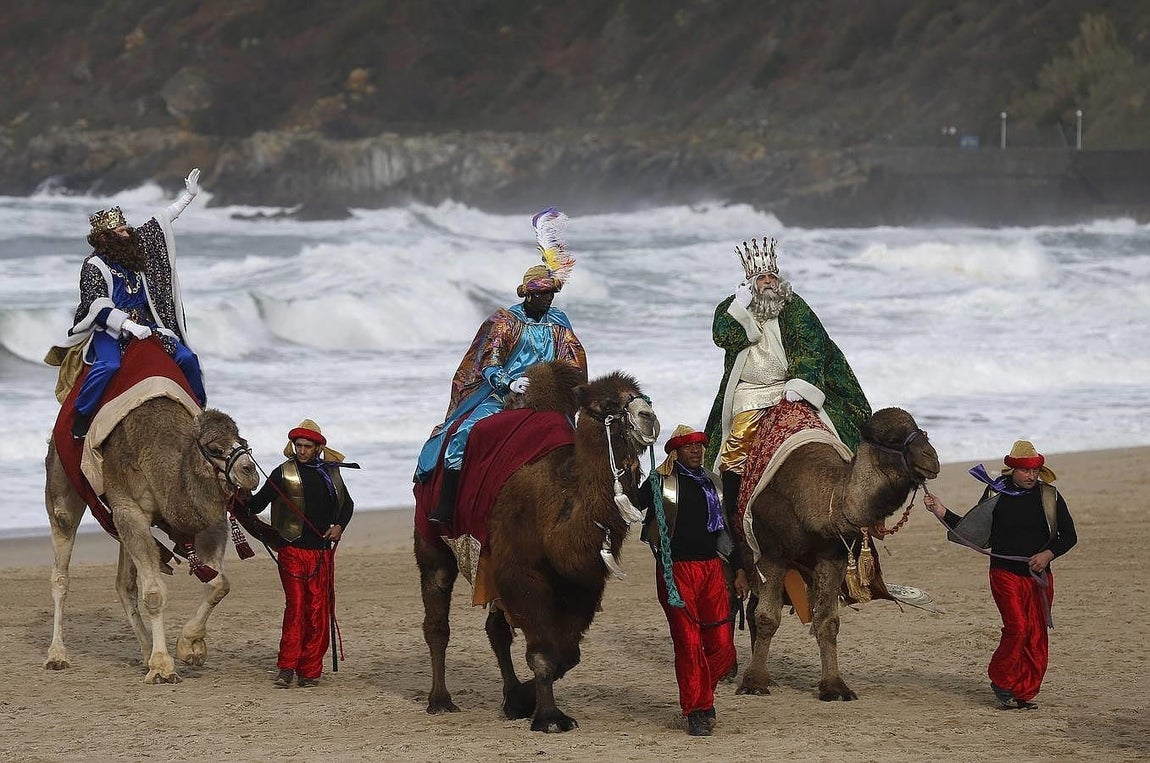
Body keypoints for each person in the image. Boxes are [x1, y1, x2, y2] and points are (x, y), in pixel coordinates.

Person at [414, 208, 586, 523]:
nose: (547, 299)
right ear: (528, 295)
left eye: (549, 293)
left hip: (546, 398)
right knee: (461, 436)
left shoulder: (559, 321)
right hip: (502, 396)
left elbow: (572, 358)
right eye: (541, 294)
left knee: (578, 443)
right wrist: (509, 383)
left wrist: (568, 386)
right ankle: (447, 506)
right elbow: (488, 361)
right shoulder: (505, 321)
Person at [703, 236, 871, 518]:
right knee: (734, 449)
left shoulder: (794, 306)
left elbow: (812, 346)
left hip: (788, 387)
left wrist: (799, 384)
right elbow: (724, 336)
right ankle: (730, 519)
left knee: (829, 433)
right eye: (761, 277)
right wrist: (739, 308)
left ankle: (855, 507)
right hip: (749, 392)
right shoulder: (732, 308)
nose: (768, 282)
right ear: (750, 282)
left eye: (772, 276)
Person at [51, 169, 207, 437]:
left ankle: (200, 411)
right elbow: (97, 305)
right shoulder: (93, 266)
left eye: (126, 228)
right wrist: (127, 326)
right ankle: (82, 416)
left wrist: (188, 197)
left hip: (146, 326)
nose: (128, 233)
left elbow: (160, 222)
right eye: (121, 231)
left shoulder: (136, 251)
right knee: (108, 366)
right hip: (109, 331)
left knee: (187, 357)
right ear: (105, 238)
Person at [924, 440, 1077, 710]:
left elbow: (1070, 537)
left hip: (1038, 579)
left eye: (1035, 470)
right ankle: (1001, 680)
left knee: (1036, 635)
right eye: (1026, 470)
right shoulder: (995, 495)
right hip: (1004, 574)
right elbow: (973, 533)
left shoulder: (1050, 496)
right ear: (1012, 471)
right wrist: (940, 511)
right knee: (1017, 628)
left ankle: (1023, 692)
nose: (1031, 476)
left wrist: (1048, 554)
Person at [638, 424, 749, 737]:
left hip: (712, 568)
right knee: (688, 644)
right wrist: (633, 473)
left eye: (699, 446)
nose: (696, 451)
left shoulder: (714, 484)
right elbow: (634, 504)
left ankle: (702, 694)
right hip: (676, 571)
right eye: (689, 447)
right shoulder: (661, 482)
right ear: (676, 451)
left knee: (723, 647)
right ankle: (697, 710)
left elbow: (727, 531)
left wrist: (739, 570)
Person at [245, 419, 355, 688]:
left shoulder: (332, 474)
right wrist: (237, 494)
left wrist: (339, 526)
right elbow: (256, 504)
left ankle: (309, 670)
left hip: (321, 552)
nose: (302, 450)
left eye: (307, 446)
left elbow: (347, 505)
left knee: (318, 609)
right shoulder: (282, 473)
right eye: (298, 445)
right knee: (296, 607)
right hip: (292, 550)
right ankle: (286, 667)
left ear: (317, 448)